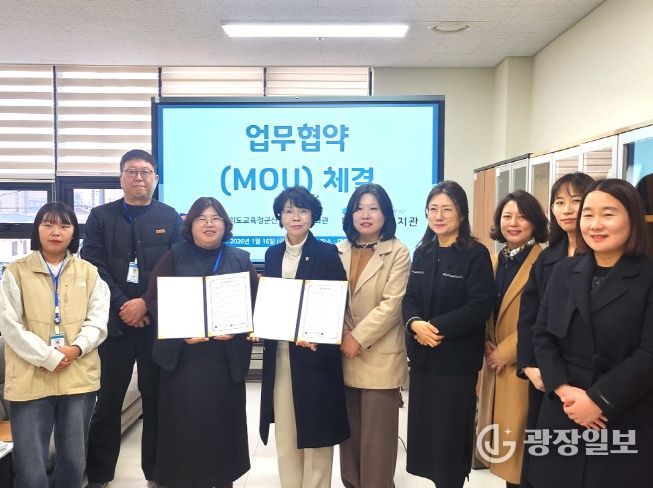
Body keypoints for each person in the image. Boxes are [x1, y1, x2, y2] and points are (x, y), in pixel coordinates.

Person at [530, 179, 653, 488]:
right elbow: (542, 334)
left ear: (632, 218)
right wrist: (563, 390)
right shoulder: (564, 270)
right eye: (588, 215)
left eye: (608, 214)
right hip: (563, 410)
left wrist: (598, 400)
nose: (595, 224)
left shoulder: (648, 275)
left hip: (622, 411)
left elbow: (649, 353)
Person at [82, 149, 182, 488]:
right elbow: (93, 266)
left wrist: (146, 305)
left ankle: (156, 475)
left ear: (156, 178)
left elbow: (175, 267)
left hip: (156, 326)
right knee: (107, 405)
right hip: (115, 326)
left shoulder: (170, 217)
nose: (139, 177)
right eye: (131, 171)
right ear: (121, 177)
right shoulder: (100, 216)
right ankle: (99, 477)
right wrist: (125, 304)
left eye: (145, 171)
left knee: (156, 404)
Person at [143, 197, 257, 488]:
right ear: (190, 224)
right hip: (184, 363)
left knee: (222, 433)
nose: (209, 224)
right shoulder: (173, 257)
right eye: (202, 218)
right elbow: (154, 300)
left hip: (223, 363)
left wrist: (240, 329)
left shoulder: (240, 259)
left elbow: (255, 304)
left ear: (225, 225)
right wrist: (179, 330)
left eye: (216, 218)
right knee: (184, 432)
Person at [0, 202, 109, 488]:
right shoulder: (16, 271)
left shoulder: (89, 273)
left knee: (74, 458)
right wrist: (47, 356)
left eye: (64, 225)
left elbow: (98, 322)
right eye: (48, 224)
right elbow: (9, 325)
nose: (56, 232)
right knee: (30, 461)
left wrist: (76, 348)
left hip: (77, 374)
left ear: (74, 233)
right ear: (37, 229)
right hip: (30, 375)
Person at [402, 180, 495, 488]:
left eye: (447, 209)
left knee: (450, 440)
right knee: (427, 439)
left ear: (462, 214)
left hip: (455, 365)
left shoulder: (475, 254)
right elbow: (410, 297)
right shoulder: (423, 251)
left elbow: (479, 306)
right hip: (424, 361)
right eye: (433, 209)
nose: (438, 216)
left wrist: (433, 328)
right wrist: (414, 323)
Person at [258, 186, 349, 488]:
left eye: (302, 210)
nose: (295, 217)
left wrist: (318, 334)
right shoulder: (272, 254)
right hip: (281, 355)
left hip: (315, 356)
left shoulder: (326, 253)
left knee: (317, 434)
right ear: (280, 217)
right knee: (286, 432)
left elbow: (338, 301)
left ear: (313, 216)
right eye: (288, 211)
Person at [516, 172, 594, 487]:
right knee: (545, 458)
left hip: (586, 378)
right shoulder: (547, 257)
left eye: (576, 201)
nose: (567, 209)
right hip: (545, 375)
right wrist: (529, 365)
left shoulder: (602, 256)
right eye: (559, 202)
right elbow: (529, 316)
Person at [336, 184, 410, 488]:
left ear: (386, 214)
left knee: (377, 446)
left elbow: (392, 305)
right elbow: (331, 298)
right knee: (349, 442)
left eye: (373, 208)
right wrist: (342, 333)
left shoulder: (399, 251)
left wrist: (357, 338)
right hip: (343, 354)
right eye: (359, 208)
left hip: (379, 358)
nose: (365, 215)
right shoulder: (339, 250)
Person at [477, 190, 548, 488]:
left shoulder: (543, 261)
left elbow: (542, 316)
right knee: (504, 449)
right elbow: (481, 307)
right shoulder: (495, 260)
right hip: (493, 363)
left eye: (522, 216)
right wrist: (485, 342)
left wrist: (505, 352)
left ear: (535, 222)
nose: (513, 223)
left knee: (521, 453)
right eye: (507, 216)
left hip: (523, 364)